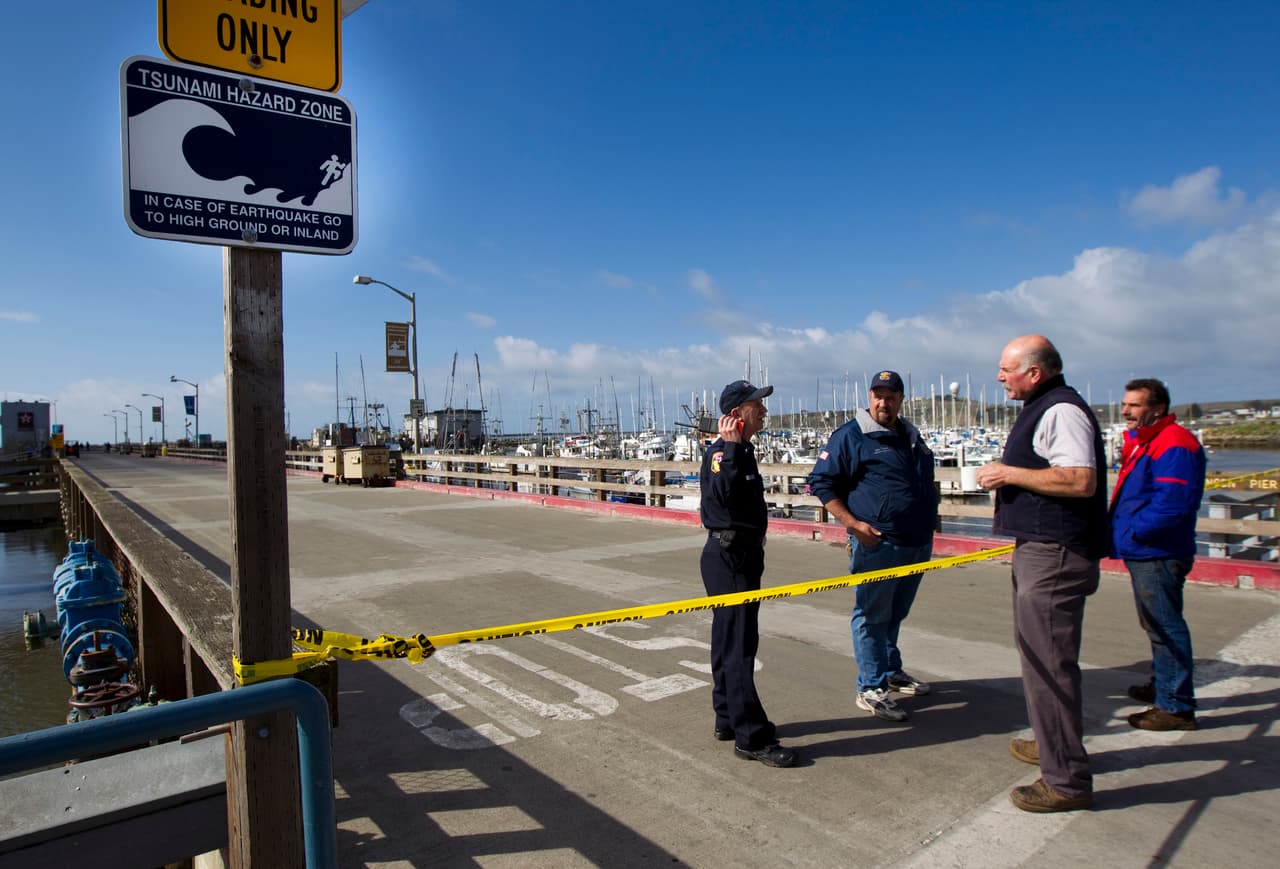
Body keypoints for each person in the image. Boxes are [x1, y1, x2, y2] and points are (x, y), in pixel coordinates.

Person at [975, 335, 1108, 814]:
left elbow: (1078, 479)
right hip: (1042, 551)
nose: (999, 376)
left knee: (1050, 663)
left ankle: (1066, 780)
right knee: (1040, 659)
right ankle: (1053, 744)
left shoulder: (1060, 410)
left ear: (1035, 372)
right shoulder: (1046, 406)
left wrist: (1008, 474)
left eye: (1006, 368)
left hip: (1054, 555)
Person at [808, 369, 937, 723]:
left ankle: (891, 671)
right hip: (877, 543)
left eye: (891, 395)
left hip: (916, 543)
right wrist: (853, 524)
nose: (884, 401)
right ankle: (870, 687)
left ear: (900, 399)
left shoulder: (910, 436)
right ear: (869, 398)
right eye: (878, 395)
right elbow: (820, 483)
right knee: (871, 616)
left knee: (895, 613)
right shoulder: (852, 436)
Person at [699, 379, 797, 768]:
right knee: (739, 647)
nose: (765, 411)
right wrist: (734, 448)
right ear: (737, 413)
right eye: (758, 404)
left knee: (728, 640)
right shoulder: (724, 453)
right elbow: (720, 497)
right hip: (729, 557)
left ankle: (727, 717)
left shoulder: (742, 451)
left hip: (740, 555)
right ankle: (750, 736)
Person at [1110, 378, 1206, 731]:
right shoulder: (1148, 442)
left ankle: (1176, 705)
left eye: (1134, 405)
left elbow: (1172, 504)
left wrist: (1135, 531)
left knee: (1165, 625)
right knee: (1155, 623)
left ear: (1158, 408)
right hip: (1146, 549)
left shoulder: (1174, 444)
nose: (1125, 411)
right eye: (1125, 404)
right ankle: (1163, 685)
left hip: (1158, 551)